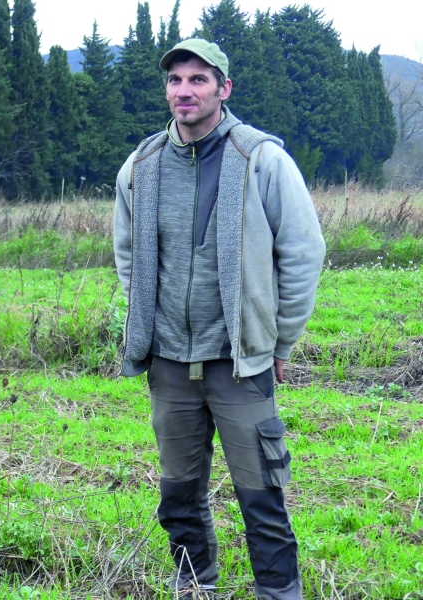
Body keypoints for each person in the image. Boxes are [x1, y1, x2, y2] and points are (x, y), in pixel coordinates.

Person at [113, 39, 325, 599]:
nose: (185, 91)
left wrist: (279, 343)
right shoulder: (142, 166)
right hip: (169, 365)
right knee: (178, 497)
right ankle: (195, 588)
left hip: (240, 362)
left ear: (223, 88)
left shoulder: (262, 159)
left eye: (199, 80)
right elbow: (129, 255)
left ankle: (279, 594)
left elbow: (303, 252)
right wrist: (146, 327)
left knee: (262, 497)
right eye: (176, 80)